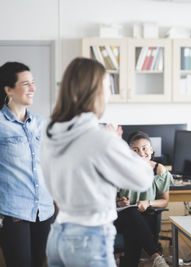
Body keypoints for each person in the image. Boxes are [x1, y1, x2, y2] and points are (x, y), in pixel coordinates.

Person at [40, 57, 154, 267]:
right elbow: (144, 179)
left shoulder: (50, 132)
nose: (110, 93)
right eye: (108, 87)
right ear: (95, 92)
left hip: (58, 234)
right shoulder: (98, 137)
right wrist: (116, 142)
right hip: (89, 238)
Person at [0, 62, 55, 267]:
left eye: (33, 83)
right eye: (25, 84)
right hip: (14, 212)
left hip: (45, 210)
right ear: (9, 90)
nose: (33, 88)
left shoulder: (41, 123)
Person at [115, 131, 172, 267]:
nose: (141, 153)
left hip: (145, 217)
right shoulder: (119, 170)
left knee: (133, 231)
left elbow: (164, 201)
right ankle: (156, 257)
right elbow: (109, 199)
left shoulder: (159, 170)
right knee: (131, 212)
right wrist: (119, 202)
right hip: (121, 217)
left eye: (145, 148)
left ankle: (129, 263)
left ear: (151, 150)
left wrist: (148, 202)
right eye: (135, 150)